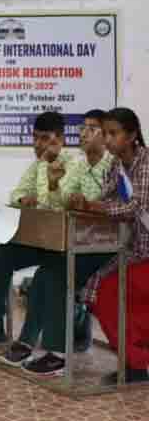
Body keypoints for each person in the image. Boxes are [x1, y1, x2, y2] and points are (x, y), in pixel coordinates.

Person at [0, 109, 114, 376]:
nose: (83, 133)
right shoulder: (80, 165)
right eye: (82, 128)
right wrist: (52, 186)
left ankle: (57, 354)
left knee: (53, 275)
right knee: (42, 275)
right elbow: (61, 203)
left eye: (92, 129)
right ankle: (28, 343)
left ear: (106, 136)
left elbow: (106, 205)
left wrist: (85, 203)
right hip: (80, 242)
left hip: (108, 246)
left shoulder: (112, 166)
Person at [0, 111, 76, 346]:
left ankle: (40, 337)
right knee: (4, 254)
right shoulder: (37, 166)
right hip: (43, 241)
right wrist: (23, 199)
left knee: (44, 276)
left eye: (44, 138)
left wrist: (44, 196)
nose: (37, 144)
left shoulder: (73, 165)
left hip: (66, 245)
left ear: (60, 139)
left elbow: (63, 202)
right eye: (35, 137)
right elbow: (17, 193)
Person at [73, 108, 149, 385]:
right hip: (134, 249)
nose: (106, 139)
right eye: (104, 133)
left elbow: (137, 206)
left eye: (112, 133)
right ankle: (135, 362)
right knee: (98, 290)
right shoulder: (117, 165)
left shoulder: (145, 162)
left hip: (146, 251)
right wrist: (84, 202)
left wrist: (98, 207)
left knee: (106, 292)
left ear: (131, 135)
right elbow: (104, 198)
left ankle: (136, 363)